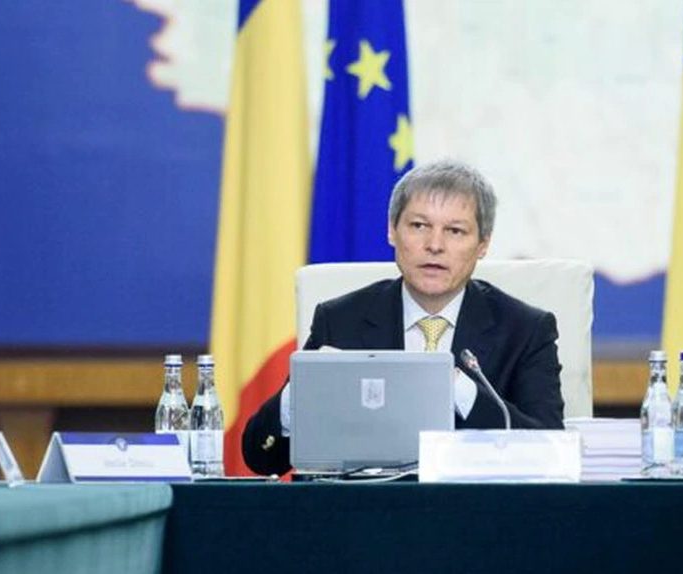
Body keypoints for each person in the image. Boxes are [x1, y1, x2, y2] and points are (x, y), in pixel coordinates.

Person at [242, 160, 564, 475]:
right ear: (392, 231)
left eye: (455, 231)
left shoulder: (525, 330)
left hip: (474, 508)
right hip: (366, 506)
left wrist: (456, 388)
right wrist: (303, 392)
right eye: (419, 226)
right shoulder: (340, 321)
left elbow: (551, 454)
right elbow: (261, 458)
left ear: (483, 244)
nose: (434, 245)